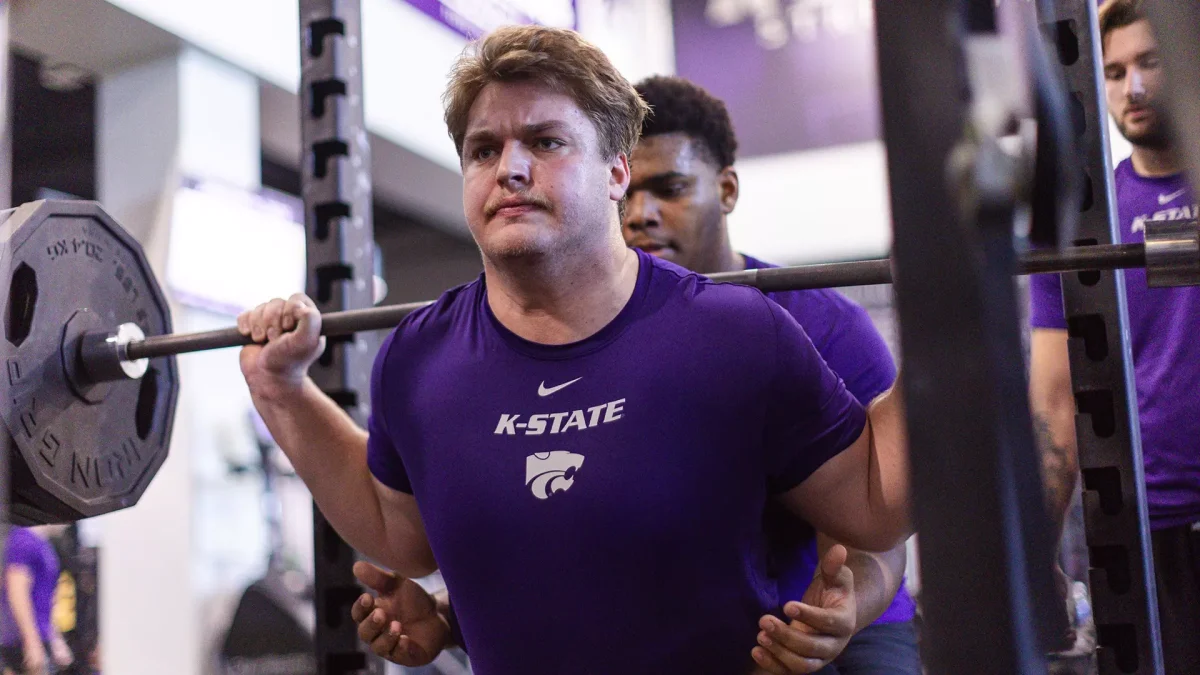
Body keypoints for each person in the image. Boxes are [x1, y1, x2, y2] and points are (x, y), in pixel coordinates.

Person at [238, 24, 911, 675]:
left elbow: (876, 500)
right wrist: (282, 390)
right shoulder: (419, 358)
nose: (511, 169)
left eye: (546, 141)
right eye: (483, 150)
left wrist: (962, 301)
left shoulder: (737, 334)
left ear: (616, 171)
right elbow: (396, 529)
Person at [1028, 1, 1200, 672]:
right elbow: (1052, 399)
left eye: (1150, 63)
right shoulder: (1077, 221)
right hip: (1145, 533)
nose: (1133, 87)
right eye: (1114, 70)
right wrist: (1037, 551)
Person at [1, 527, 74, 675]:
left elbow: (44, 599)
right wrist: (31, 641)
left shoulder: (42, 544)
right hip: (20, 641)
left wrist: (54, 637)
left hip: (37, 637)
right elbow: (16, 592)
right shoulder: (23, 540)